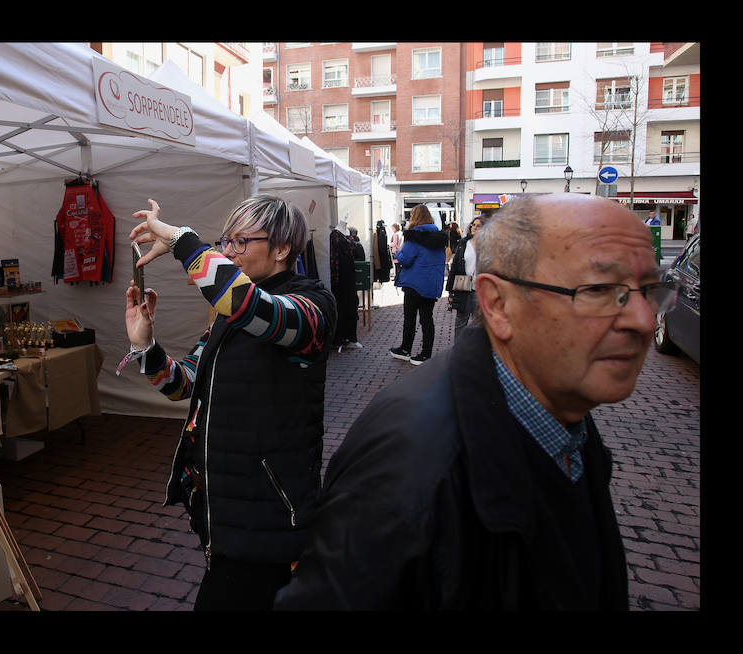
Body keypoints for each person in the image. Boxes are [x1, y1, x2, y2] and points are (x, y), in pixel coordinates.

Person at [274, 194, 675, 609]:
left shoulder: (559, 410)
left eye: (650, 289)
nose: (644, 320)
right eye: (600, 290)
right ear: (499, 304)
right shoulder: (411, 468)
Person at [122, 196, 337, 611]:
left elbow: (252, 307)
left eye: (241, 242)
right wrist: (144, 345)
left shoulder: (311, 307)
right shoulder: (228, 315)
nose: (228, 252)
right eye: (226, 241)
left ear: (281, 249)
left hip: (273, 519)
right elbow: (183, 384)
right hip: (227, 515)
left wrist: (183, 240)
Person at [388, 205, 448, 365]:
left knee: (410, 319)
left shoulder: (414, 237)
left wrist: (398, 252)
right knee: (427, 319)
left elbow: (405, 259)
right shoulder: (439, 237)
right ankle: (425, 353)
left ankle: (405, 349)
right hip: (431, 283)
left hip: (414, 283)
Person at [445, 216, 483, 341]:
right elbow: (455, 266)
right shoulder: (464, 243)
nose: (475, 228)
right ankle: (459, 352)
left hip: (481, 288)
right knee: (461, 321)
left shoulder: (489, 245)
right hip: (464, 284)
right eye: (473, 225)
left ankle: (476, 352)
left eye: (478, 226)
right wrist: (450, 287)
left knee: (479, 324)